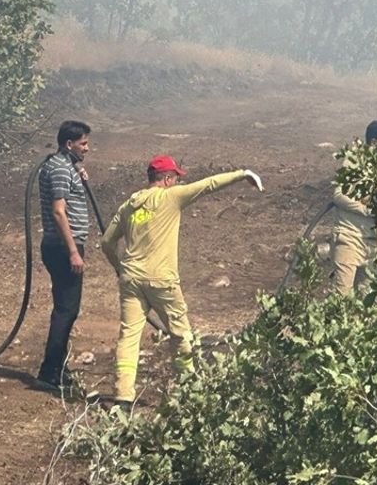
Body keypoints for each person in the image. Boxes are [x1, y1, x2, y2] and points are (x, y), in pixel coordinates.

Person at [100, 155, 263, 407]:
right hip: (162, 280)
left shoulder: (129, 206)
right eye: (175, 178)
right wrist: (242, 173)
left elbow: (107, 242)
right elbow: (208, 185)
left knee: (129, 336)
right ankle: (188, 390)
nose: (177, 182)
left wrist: (120, 269)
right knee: (180, 334)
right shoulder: (171, 197)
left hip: (131, 279)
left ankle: (123, 395)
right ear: (166, 179)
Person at [36, 120, 93, 390]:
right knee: (66, 310)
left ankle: (57, 366)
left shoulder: (63, 166)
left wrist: (77, 172)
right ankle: (50, 371)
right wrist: (73, 251)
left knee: (66, 308)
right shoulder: (59, 168)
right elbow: (59, 211)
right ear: (69, 144)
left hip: (61, 246)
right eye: (83, 143)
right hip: (62, 247)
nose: (87, 148)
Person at [329, 120, 377, 294]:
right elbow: (339, 195)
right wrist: (367, 210)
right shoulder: (355, 161)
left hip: (373, 243)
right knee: (341, 298)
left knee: (367, 299)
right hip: (349, 238)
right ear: (375, 142)